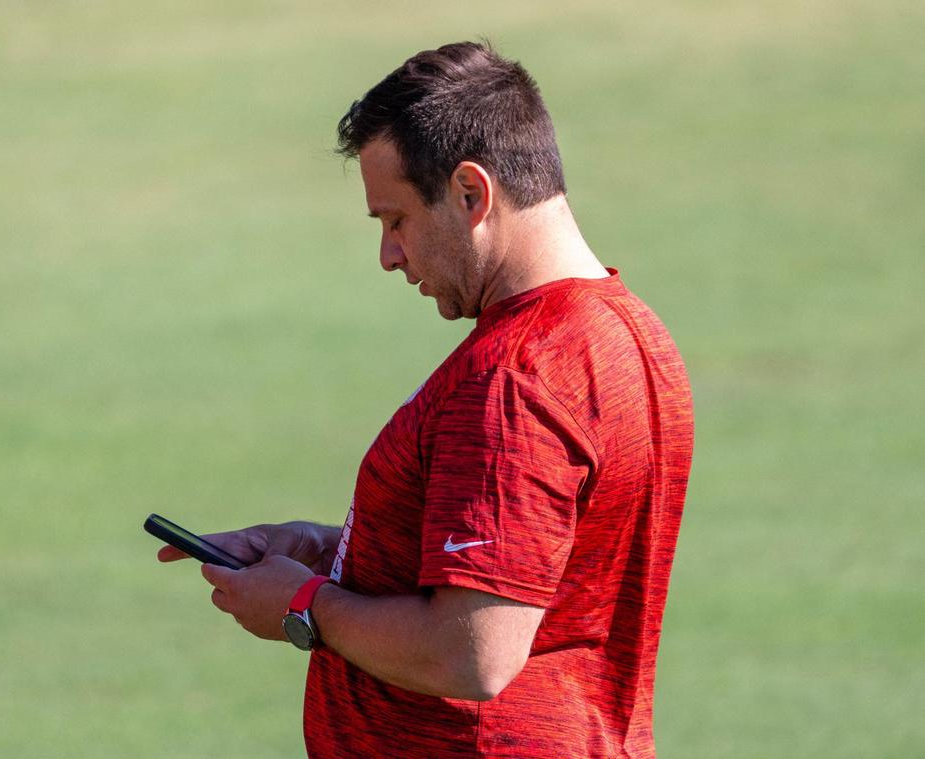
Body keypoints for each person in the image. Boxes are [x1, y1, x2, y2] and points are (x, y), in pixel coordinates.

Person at [158, 40, 694, 758]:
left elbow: (473, 651)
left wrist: (302, 605)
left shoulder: (515, 377)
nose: (388, 254)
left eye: (397, 219)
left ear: (472, 194)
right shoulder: (629, 332)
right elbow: (531, 566)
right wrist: (323, 552)